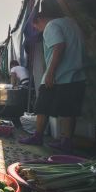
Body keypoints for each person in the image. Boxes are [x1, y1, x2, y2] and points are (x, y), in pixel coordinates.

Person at [19, 12, 86, 153]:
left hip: (58, 75)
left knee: (42, 107)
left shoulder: (51, 25)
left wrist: (50, 72)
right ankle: (66, 142)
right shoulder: (72, 23)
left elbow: (59, 46)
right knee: (69, 111)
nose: (38, 30)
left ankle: (37, 137)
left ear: (39, 20)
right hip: (76, 74)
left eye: (36, 27)